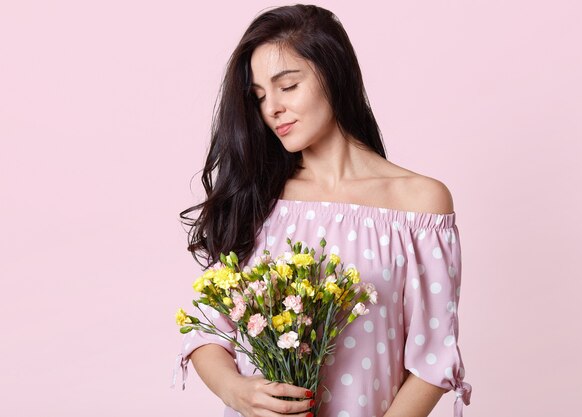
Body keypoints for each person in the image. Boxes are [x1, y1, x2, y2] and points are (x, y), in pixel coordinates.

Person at [172, 4, 472, 417]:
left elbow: (433, 360)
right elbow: (209, 330)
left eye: (287, 86)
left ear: (333, 75)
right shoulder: (258, 200)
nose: (271, 108)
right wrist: (238, 392)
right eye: (259, 96)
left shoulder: (419, 205)